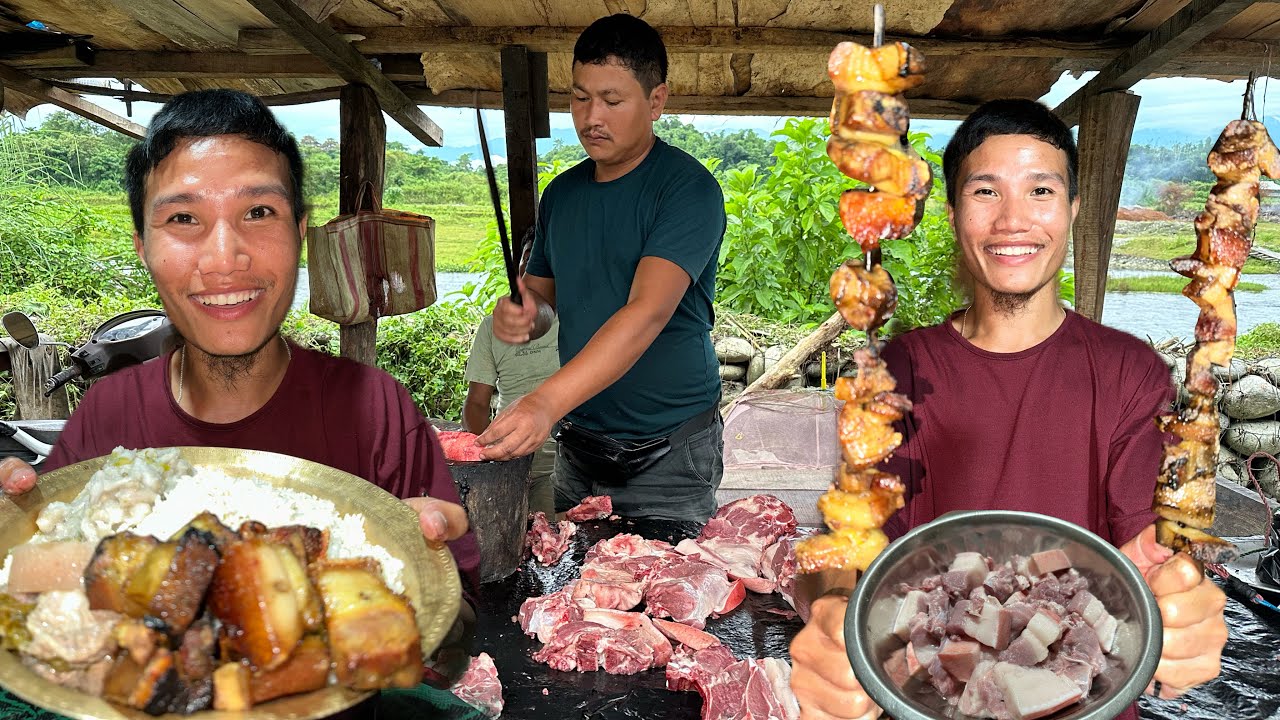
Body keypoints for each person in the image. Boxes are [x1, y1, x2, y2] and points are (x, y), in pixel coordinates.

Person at [788, 99, 1228, 720]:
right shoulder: (897, 371)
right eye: (987, 192)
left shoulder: (1131, 372)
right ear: (952, 213)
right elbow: (844, 545)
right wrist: (831, 610)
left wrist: (1187, 608)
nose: (1014, 220)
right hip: (929, 699)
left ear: (1073, 210)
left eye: (1041, 190)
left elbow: (1155, 553)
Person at [0, 89, 480, 593]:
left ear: (299, 233)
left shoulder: (377, 408)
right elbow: (35, 575)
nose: (225, 259)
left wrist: (422, 577)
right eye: (184, 219)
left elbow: (460, 619)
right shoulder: (109, 411)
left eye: (258, 212)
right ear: (143, 246)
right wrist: (13, 523)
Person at [477, 14, 728, 522]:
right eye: (579, 97)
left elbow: (646, 313)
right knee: (574, 588)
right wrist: (524, 314)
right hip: (581, 443)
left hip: (669, 452)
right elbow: (542, 298)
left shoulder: (687, 190)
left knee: (665, 594)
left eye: (612, 101)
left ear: (656, 101)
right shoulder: (562, 195)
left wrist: (544, 403)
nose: (592, 116)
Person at [463, 231, 561, 516]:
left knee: (546, 536)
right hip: (505, 457)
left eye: (541, 264)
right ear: (519, 268)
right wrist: (484, 455)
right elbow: (477, 403)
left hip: (558, 465)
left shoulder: (573, 321)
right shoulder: (491, 327)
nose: (533, 272)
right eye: (528, 261)